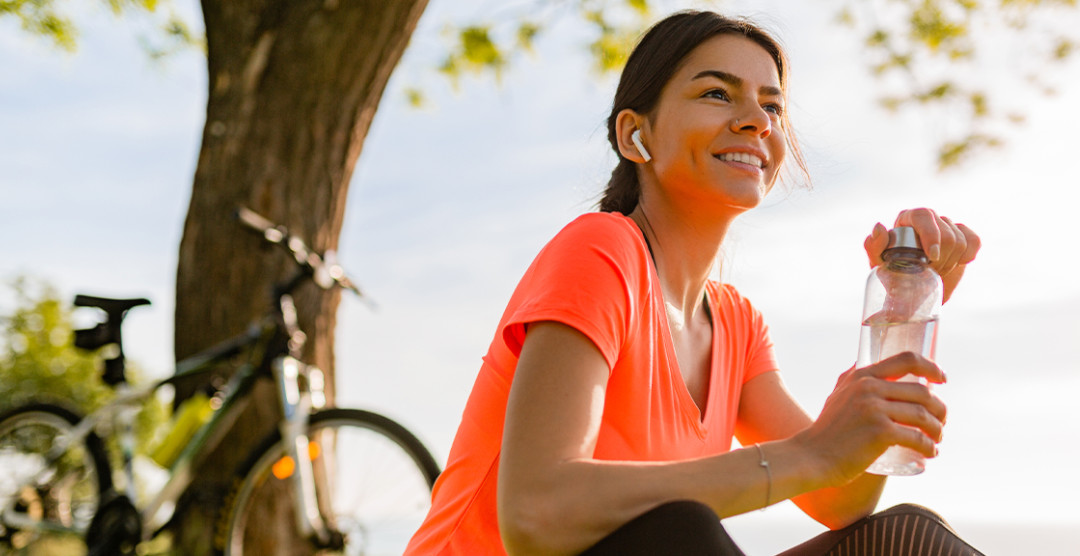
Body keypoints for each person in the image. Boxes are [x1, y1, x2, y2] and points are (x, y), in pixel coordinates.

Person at [405, 10, 984, 556]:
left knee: (908, 538)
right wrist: (808, 452)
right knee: (678, 531)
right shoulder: (601, 250)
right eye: (716, 93)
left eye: (772, 106)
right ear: (637, 135)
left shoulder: (735, 322)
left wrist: (901, 322)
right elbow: (537, 512)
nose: (757, 119)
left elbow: (839, 496)